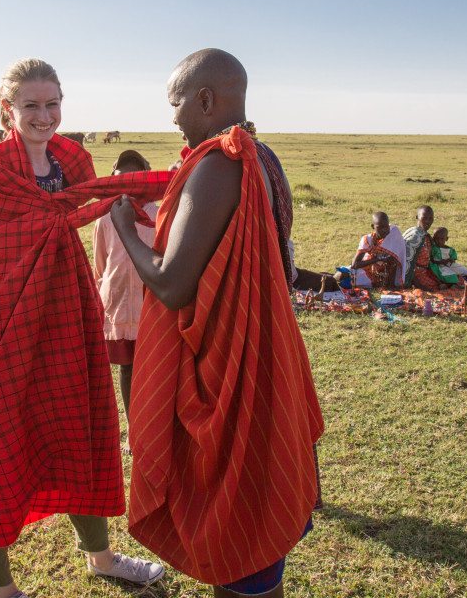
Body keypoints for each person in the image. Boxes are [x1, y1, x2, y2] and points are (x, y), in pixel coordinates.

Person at [0, 58, 169, 598]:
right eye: (31, 106)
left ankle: (102, 557)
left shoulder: (71, 161)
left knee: (79, 426)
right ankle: (1, 588)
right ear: (8, 111)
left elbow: (90, 206)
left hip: (65, 310)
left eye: (53, 103)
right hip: (1, 328)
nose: (45, 116)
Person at [110, 49, 323, 598]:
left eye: (176, 102)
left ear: (205, 99)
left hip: (229, 371)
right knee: (252, 545)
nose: (173, 116)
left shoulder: (218, 163)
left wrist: (125, 228)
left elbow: (173, 282)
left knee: (239, 530)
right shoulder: (260, 157)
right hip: (262, 353)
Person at [92, 149, 157, 429]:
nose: (128, 185)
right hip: (119, 305)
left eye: (135, 178)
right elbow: (100, 263)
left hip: (151, 304)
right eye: (121, 179)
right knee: (128, 370)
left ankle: (153, 425)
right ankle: (134, 429)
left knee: (154, 369)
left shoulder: (159, 214)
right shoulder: (105, 218)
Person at [336, 212, 405, 289]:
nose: (384, 230)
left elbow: (395, 261)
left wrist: (391, 285)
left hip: (382, 278)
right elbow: (355, 264)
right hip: (367, 271)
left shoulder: (392, 237)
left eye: (386, 226)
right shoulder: (368, 239)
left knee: (343, 280)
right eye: (380, 227)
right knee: (339, 275)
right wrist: (376, 259)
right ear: (373, 226)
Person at [402, 205, 443, 291]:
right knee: (440, 288)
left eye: (431, 218)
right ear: (417, 217)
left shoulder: (424, 235)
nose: (428, 221)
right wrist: (416, 284)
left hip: (426, 271)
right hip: (416, 276)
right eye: (424, 218)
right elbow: (407, 265)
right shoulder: (414, 236)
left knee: (454, 279)